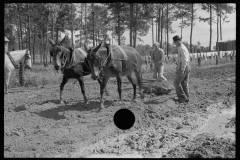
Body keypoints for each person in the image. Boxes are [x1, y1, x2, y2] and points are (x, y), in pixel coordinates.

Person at [172, 35, 191, 103]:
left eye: (176, 42)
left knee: (176, 82)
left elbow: (185, 60)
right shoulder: (183, 48)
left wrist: (182, 69)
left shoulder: (181, 48)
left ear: (178, 41)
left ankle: (182, 97)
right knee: (184, 83)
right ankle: (186, 97)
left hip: (184, 67)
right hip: (187, 66)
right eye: (175, 42)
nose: (175, 43)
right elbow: (184, 59)